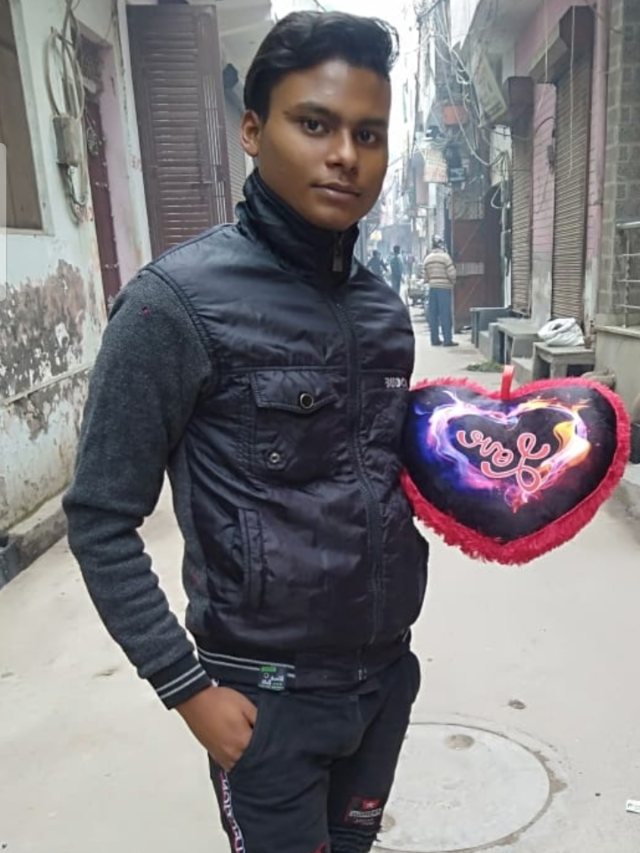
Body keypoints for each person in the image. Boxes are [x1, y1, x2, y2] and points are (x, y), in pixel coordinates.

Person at [63, 12, 429, 853]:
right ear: (254, 132)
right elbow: (100, 518)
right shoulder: (172, 305)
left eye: (369, 133)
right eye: (316, 124)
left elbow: (384, 477)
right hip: (264, 701)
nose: (346, 155)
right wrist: (186, 687)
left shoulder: (382, 312)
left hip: (381, 684)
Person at [423, 234, 458, 347]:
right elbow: (452, 274)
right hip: (444, 288)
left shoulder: (427, 259)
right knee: (445, 314)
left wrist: (432, 281)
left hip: (432, 288)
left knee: (433, 315)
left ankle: (434, 339)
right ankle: (447, 340)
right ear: (441, 245)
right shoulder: (445, 257)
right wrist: (452, 282)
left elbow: (425, 277)